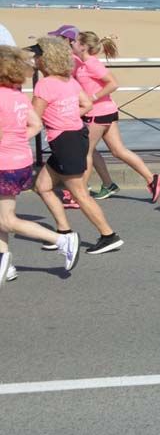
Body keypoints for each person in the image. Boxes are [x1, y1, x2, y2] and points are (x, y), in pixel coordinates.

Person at [30, 37, 124, 255]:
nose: (34, 59)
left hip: (65, 141)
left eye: (37, 55)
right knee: (42, 186)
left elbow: (33, 119)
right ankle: (63, 233)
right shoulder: (68, 81)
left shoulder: (44, 84)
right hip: (76, 136)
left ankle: (108, 235)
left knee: (80, 194)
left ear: (46, 59)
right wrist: (68, 116)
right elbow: (87, 103)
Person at [1, 46, 80, 288]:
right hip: (20, 161)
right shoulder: (17, 97)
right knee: (2, 216)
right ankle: (6, 265)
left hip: (4, 164)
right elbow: (35, 125)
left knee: (6, 220)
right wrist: (15, 138)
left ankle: (61, 240)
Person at [69, 31, 160, 202]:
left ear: (83, 46)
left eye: (74, 41)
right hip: (106, 111)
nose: (72, 43)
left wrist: (92, 97)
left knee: (86, 152)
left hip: (97, 113)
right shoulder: (82, 62)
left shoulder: (92, 64)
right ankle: (151, 179)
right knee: (118, 150)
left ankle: (79, 194)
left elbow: (113, 83)